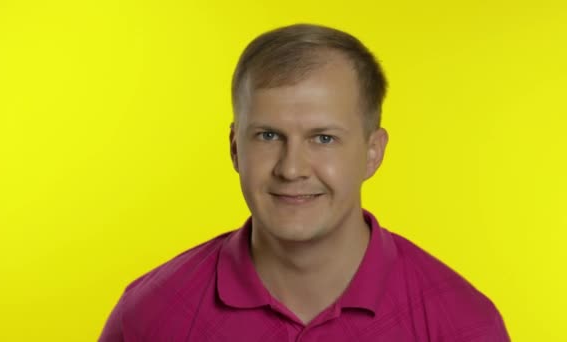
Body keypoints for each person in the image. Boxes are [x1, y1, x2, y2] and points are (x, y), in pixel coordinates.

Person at [99, 23, 510, 341]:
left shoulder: (462, 324)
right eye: (268, 136)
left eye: (323, 138)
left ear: (373, 151)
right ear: (235, 148)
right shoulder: (150, 315)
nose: (292, 168)